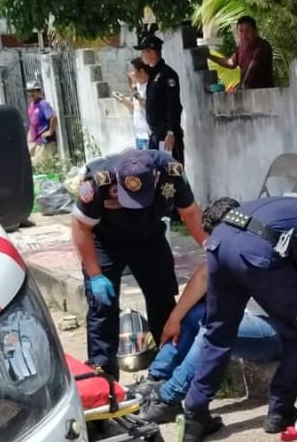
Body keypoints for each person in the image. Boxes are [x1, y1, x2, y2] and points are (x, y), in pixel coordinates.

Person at [180, 196, 297, 442]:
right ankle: (281, 409)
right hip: (256, 250)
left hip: (220, 242)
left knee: (219, 330)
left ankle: (195, 416)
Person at [135, 197, 282, 423]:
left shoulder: (261, 244)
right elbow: (204, 275)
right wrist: (175, 318)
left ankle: (167, 399)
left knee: (213, 328)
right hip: (245, 320)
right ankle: (157, 377)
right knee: (194, 314)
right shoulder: (234, 244)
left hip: (275, 331)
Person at [71, 149, 207, 379]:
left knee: (162, 299)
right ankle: (104, 378)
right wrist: (95, 275)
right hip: (106, 241)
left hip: (149, 238)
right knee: (102, 307)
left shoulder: (170, 172)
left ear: (155, 178)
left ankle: (165, 370)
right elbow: (80, 226)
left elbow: (190, 212)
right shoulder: (98, 180)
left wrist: (210, 247)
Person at [135, 34, 184, 162]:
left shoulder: (167, 75)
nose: (142, 56)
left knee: (172, 175)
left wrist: (171, 132)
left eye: (144, 52)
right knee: (158, 177)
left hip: (166, 135)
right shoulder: (154, 74)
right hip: (156, 135)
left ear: (152, 52)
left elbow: (173, 105)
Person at [208, 16, 275, 90]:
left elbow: (253, 67)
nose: (244, 35)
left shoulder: (263, 46)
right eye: (241, 31)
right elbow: (230, 63)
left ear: (255, 31)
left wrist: (243, 85)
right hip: (246, 93)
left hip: (264, 93)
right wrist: (209, 56)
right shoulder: (241, 47)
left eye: (248, 30)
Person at [113, 58, 152, 150]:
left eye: (133, 71)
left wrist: (135, 92)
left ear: (141, 72)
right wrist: (123, 100)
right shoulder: (138, 86)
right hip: (139, 136)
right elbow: (135, 108)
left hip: (148, 136)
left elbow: (149, 106)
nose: (131, 74)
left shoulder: (150, 87)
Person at [26, 81, 58, 166]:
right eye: (29, 92)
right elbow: (32, 122)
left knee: (41, 167)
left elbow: (53, 117)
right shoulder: (31, 105)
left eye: (33, 91)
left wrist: (50, 132)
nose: (31, 94)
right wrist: (29, 135)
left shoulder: (43, 104)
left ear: (39, 92)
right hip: (36, 142)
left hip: (45, 142)